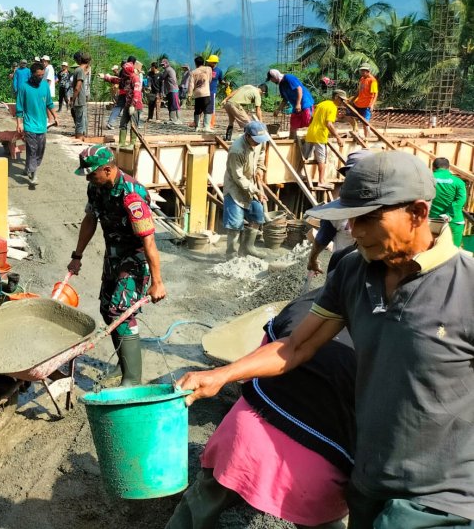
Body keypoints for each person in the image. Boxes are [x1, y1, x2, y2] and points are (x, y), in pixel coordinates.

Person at [178, 151, 474, 528]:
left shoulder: (467, 286)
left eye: (369, 217)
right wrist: (221, 375)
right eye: (352, 216)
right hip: (369, 479)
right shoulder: (353, 271)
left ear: (417, 213)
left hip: (441, 493)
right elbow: (295, 347)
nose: (355, 229)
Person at [165, 265, 355, 529]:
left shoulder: (300, 310)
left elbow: (264, 366)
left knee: (203, 502)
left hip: (244, 441)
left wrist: (221, 374)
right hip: (321, 467)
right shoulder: (382, 339)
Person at [68, 146, 165, 386]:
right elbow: (90, 219)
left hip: (135, 258)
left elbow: (148, 240)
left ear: (108, 169)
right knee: (106, 308)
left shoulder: (132, 195)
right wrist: (77, 255)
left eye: (92, 174)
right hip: (113, 256)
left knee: (121, 311)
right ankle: (124, 364)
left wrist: (157, 282)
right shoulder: (96, 188)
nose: (89, 179)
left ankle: (132, 378)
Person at [306, 150, 371, 273]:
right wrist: (312, 259)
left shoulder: (387, 209)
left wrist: (312, 259)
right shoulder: (335, 213)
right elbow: (322, 239)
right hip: (343, 272)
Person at [224, 121, 270, 258]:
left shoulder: (260, 141)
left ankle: (247, 248)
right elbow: (238, 177)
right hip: (235, 188)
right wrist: (256, 190)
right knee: (235, 224)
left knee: (257, 214)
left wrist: (260, 168)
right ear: (248, 136)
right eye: (256, 140)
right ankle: (231, 254)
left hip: (251, 183)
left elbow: (261, 153)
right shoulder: (236, 150)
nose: (258, 143)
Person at [16, 62, 58, 187]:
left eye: (42, 75)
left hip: (41, 125)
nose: (41, 77)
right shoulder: (23, 87)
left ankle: (29, 167)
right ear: (32, 74)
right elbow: (19, 107)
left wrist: (55, 116)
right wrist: (19, 123)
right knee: (33, 149)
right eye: (38, 75)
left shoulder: (44, 86)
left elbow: (49, 103)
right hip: (29, 125)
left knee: (40, 149)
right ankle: (33, 174)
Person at [302, 89, 347, 188]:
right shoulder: (333, 107)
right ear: (336, 97)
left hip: (310, 134)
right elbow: (329, 124)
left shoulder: (322, 104)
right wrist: (338, 137)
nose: (342, 102)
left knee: (304, 157)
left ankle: (299, 174)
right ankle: (321, 181)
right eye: (341, 99)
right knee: (322, 160)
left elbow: (313, 118)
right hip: (320, 136)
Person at [430, 157, 467, 247]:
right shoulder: (458, 182)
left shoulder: (426, 179)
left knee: (430, 251)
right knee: (453, 251)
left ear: (433, 168)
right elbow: (461, 200)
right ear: (448, 168)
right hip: (453, 221)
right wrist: (449, 214)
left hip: (431, 221)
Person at [266, 68, 314, 137]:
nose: (272, 81)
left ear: (274, 77)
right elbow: (285, 99)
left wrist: (298, 104)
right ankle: (293, 142)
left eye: (271, 79)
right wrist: (278, 110)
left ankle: (312, 141)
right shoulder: (281, 86)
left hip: (305, 102)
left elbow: (299, 89)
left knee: (309, 122)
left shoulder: (288, 78)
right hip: (296, 106)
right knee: (293, 126)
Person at [352, 63, 378, 139]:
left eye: (363, 71)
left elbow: (375, 94)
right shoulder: (362, 79)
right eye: (361, 71)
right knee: (348, 115)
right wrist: (352, 100)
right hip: (359, 103)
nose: (362, 72)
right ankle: (356, 130)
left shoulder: (372, 81)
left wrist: (372, 104)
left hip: (367, 104)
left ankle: (367, 138)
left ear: (368, 71)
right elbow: (359, 91)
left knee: (365, 122)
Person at [189, 56, 213, 131]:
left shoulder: (193, 72)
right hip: (206, 92)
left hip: (197, 93)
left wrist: (189, 95)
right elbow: (210, 79)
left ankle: (197, 127)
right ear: (203, 62)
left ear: (196, 63)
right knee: (207, 109)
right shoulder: (208, 69)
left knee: (197, 110)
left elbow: (191, 84)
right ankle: (206, 127)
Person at [71, 51, 91, 140]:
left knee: (83, 119)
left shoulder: (79, 70)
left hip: (79, 99)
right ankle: (79, 138)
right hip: (79, 100)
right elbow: (77, 87)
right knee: (80, 120)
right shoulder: (79, 71)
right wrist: (73, 99)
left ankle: (83, 136)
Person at [104, 63, 124, 130]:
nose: (113, 71)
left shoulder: (121, 73)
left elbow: (117, 81)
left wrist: (107, 77)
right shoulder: (121, 73)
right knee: (118, 106)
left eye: (114, 70)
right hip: (120, 92)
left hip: (121, 92)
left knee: (118, 107)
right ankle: (111, 123)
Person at [206, 54, 223, 130]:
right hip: (204, 91)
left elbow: (221, 80)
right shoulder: (206, 69)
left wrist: (225, 83)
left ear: (214, 63)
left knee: (212, 108)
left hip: (212, 91)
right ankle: (202, 122)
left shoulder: (219, 71)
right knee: (203, 107)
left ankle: (211, 123)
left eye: (210, 62)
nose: (209, 63)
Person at [161, 58, 180, 123]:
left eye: (163, 64)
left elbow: (162, 78)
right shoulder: (170, 69)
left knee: (174, 104)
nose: (162, 66)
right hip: (171, 90)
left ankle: (175, 119)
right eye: (162, 65)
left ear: (167, 64)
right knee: (172, 104)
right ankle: (173, 119)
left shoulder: (168, 69)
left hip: (173, 89)